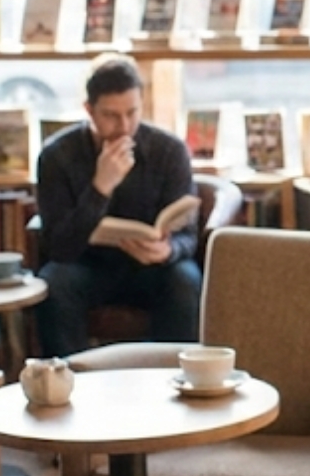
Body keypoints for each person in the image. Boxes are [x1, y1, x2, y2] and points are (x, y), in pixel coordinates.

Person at [34, 55, 201, 356]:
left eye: (132, 113)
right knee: (54, 282)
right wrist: (100, 187)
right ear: (89, 111)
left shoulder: (169, 150)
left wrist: (168, 250)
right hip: (88, 267)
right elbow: (58, 246)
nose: (124, 127)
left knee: (185, 280)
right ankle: (66, 383)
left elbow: (189, 234)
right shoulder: (56, 156)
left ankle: (177, 380)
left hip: (153, 269)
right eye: (111, 116)